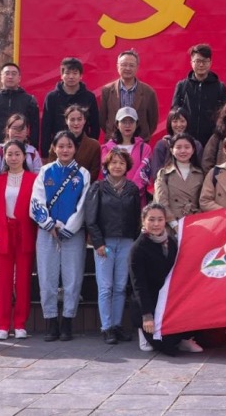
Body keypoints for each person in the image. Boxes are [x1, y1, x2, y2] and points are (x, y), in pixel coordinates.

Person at [30, 130, 91, 342]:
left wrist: (69, 227)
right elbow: (36, 200)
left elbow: (83, 205)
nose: (65, 150)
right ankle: (50, 320)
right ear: (54, 148)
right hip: (46, 232)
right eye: (61, 146)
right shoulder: (45, 171)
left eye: (69, 146)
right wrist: (48, 224)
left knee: (72, 277)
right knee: (47, 276)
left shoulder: (83, 174)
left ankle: (67, 320)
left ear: (75, 149)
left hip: (73, 233)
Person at [85, 148, 142, 345]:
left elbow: (137, 218)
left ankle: (117, 325)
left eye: (122, 163)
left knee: (119, 286)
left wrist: (135, 241)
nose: (117, 166)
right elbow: (90, 219)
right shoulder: (98, 187)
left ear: (127, 166)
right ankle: (106, 327)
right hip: (105, 243)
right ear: (107, 165)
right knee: (105, 287)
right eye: (114, 162)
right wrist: (98, 242)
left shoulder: (132, 189)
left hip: (126, 242)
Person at [129, 203, 203, 354]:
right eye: (151, 220)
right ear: (143, 221)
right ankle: (143, 330)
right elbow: (139, 285)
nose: (156, 224)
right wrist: (147, 315)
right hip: (149, 302)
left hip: (168, 300)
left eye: (160, 219)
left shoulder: (172, 242)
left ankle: (183, 339)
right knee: (167, 347)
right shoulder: (137, 249)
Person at [0, 139, 38, 340]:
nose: (13, 158)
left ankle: (20, 323)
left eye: (17, 154)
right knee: (3, 281)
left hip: (25, 233)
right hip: (3, 233)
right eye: (10, 154)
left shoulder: (34, 179)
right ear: (4, 157)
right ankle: (3, 324)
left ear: (24, 156)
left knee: (23, 280)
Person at [40, 57, 100, 158]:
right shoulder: (52, 97)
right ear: (61, 75)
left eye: (75, 73)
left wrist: (90, 148)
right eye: (67, 73)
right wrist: (45, 154)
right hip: (59, 149)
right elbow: (46, 127)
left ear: (81, 76)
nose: (71, 77)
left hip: (82, 149)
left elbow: (95, 125)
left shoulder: (89, 97)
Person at [171, 44, 226, 148]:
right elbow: (174, 114)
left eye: (205, 61)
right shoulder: (182, 86)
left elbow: (224, 116)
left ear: (210, 63)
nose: (201, 65)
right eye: (197, 61)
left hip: (211, 141)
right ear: (191, 63)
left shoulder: (220, 87)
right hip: (186, 141)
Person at [0, 62, 40, 152]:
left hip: (20, 150)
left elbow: (35, 128)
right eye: (7, 73)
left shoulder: (29, 100)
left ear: (19, 78)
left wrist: (33, 150)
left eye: (14, 74)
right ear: (1, 77)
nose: (10, 77)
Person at [100, 49, 159, 140]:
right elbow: (103, 119)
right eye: (124, 65)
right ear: (117, 66)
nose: (127, 68)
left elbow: (152, 121)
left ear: (137, 67)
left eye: (131, 65)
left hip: (139, 141)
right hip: (114, 141)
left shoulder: (148, 92)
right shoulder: (107, 90)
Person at [153, 132, 205, 224]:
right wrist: (173, 224)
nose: (183, 151)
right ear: (172, 150)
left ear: (193, 150)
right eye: (178, 147)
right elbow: (161, 201)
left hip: (194, 222)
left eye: (187, 147)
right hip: (171, 223)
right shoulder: (164, 174)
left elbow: (204, 201)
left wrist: (198, 218)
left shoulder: (200, 174)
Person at [144, 107, 204, 186]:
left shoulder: (196, 145)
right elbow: (156, 173)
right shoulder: (162, 145)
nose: (179, 125)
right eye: (175, 121)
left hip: (191, 188)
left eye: (182, 121)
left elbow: (199, 170)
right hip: (166, 188)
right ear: (169, 123)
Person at [101, 107, 152, 190]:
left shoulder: (145, 148)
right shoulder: (106, 148)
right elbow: (106, 172)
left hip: (137, 195)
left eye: (131, 121)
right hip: (112, 195)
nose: (127, 125)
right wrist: (117, 192)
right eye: (123, 121)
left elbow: (143, 173)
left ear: (136, 124)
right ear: (117, 124)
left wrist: (130, 191)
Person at [60, 104, 101, 175]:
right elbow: (52, 169)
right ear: (66, 121)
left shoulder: (94, 145)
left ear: (84, 120)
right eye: (72, 120)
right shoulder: (58, 143)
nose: (76, 123)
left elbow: (94, 172)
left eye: (79, 119)